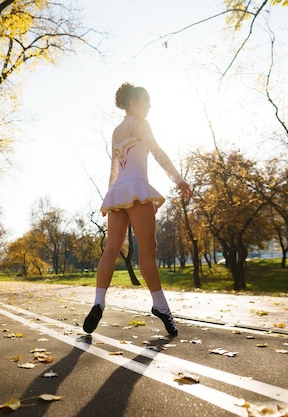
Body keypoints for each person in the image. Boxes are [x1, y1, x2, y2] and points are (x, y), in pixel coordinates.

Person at [83, 82, 191, 337]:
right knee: (148, 251)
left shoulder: (117, 131)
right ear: (132, 102)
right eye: (145, 101)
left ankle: (98, 302)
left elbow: (114, 168)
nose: (149, 105)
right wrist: (179, 179)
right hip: (136, 190)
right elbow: (157, 152)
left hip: (117, 192)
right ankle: (161, 307)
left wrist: (108, 199)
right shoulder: (141, 124)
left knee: (111, 249)